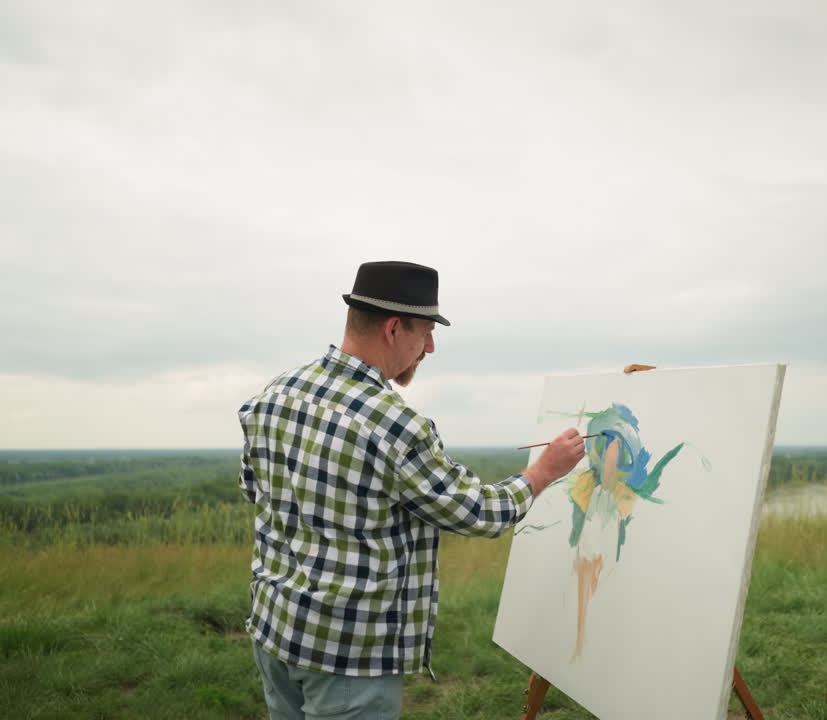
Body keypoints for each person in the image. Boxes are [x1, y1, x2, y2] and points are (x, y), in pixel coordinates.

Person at [237, 260, 586, 720]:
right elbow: (477, 513)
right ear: (394, 328)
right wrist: (544, 471)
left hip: (275, 629)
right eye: (425, 331)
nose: (431, 347)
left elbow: (253, 489)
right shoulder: (395, 424)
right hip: (348, 656)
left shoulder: (275, 394)